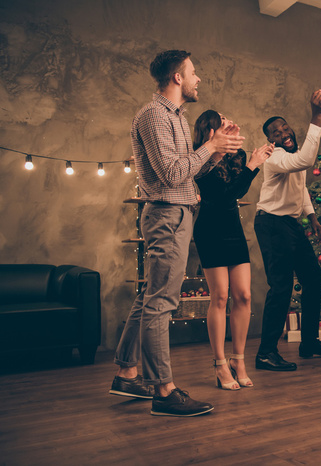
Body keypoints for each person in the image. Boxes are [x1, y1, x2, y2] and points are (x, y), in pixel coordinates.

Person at [110, 50, 244, 417]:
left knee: (149, 296)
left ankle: (126, 372)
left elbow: (188, 172)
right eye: (194, 72)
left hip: (178, 212)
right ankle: (164, 391)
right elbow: (170, 174)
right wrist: (210, 146)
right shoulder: (154, 115)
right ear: (177, 78)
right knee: (162, 302)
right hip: (167, 215)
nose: (198, 78)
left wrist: (216, 153)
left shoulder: (177, 119)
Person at [254, 90, 321, 371]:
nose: (283, 134)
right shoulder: (275, 157)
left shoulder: (292, 155)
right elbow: (306, 160)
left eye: (285, 128)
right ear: (271, 141)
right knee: (280, 286)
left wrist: (313, 217)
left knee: (313, 278)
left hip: (290, 224)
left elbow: (301, 187)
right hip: (271, 223)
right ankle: (266, 353)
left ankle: (309, 342)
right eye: (276, 133)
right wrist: (317, 115)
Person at [192, 110, 273, 390]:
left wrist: (252, 161)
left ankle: (238, 359)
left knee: (244, 295)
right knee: (220, 297)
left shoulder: (235, 157)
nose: (228, 122)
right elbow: (223, 194)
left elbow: (237, 192)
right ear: (210, 129)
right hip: (209, 230)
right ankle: (219, 363)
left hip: (233, 229)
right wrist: (252, 164)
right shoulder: (199, 156)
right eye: (222, 120)